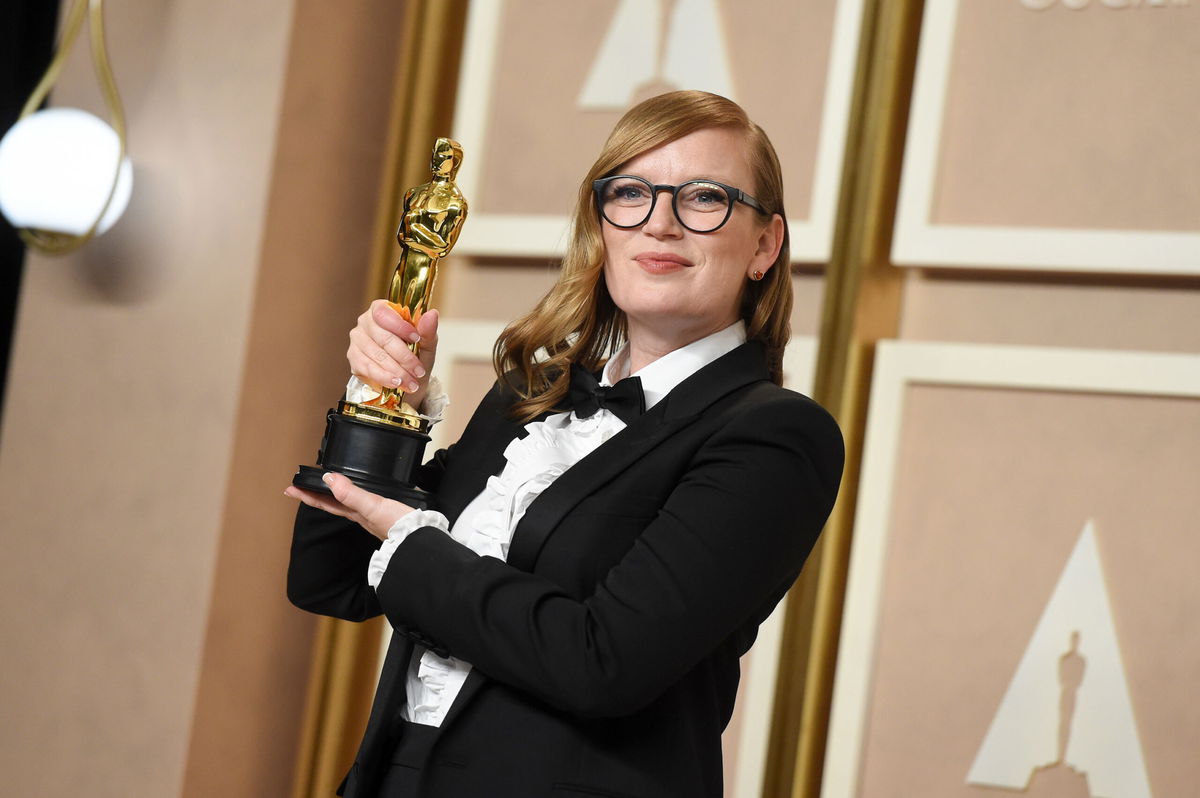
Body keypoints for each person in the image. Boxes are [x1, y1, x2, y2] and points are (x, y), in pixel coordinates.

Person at [285, 90, 844, 798]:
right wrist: (381, 398)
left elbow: (603, 661)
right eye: (632, 193)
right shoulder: (531, 395)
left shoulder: (776, 436)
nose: (660, 223)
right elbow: (331, 582)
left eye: (704, 197)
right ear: (602, 224)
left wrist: (412, 539)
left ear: (765, 244)